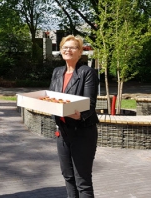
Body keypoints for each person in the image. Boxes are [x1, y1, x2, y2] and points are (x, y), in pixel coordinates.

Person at [49, 35, 99, 198]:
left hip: (82, 132)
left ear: (80, 52)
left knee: (82, 181)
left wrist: (78, 115)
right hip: (62, 132)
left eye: (72, 47)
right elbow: (50, 98)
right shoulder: (57, 72)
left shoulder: (87, 73)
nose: (67, 50)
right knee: (68, 177)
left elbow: (90, 105)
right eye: (65, 47)